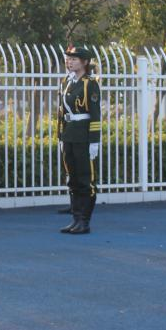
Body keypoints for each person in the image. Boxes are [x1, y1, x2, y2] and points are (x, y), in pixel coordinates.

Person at [58, 46, 101, 235]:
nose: (70, 62)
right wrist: (61, 136)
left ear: (84, 62)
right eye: (68, 59)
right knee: (72, 179)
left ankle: (84, 220)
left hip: (83, 136)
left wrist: (94, 141)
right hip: (69, 134)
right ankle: (75, 219)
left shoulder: (89, 84)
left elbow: (95, 115)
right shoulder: (67, 82)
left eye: (74, 59)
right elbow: (62, 113)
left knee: (85, 180)